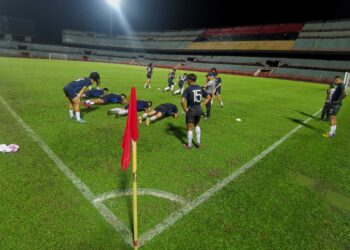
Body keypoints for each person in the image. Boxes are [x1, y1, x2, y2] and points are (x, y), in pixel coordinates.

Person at [181, 73, 211, 149]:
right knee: (197, 125)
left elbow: (182, 101)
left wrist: (185, 109)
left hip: (191, 110)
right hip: (199, 110)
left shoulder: (187, 89)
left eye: (187, 79)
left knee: (190, 128)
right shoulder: (200, 88)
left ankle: (189, 145)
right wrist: (201, 105)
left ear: (190, 80)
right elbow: (208, 97)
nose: (186, 81)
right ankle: (198, 143)